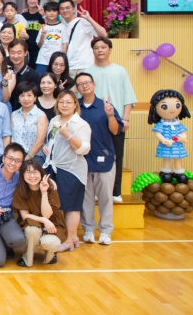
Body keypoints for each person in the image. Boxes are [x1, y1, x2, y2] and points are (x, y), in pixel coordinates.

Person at [83, 37, 136, 202]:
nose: (99, 50)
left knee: (117, 155)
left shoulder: (120, 71)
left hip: (115, 120)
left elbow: (128, 96)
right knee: (94, 154)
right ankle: (95, 191)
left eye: (103, 47)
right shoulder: (87, 72)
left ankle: (115, 192)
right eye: (96, 47)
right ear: (92, 51)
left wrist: (126, 119)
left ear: (110, 50)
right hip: (94, 122)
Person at [75, 72, 121, 245]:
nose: (84, 86)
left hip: (104, 159)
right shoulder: (75, 106)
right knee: (85, 198)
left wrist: (110, 115)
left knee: (105, 198)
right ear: (77, 88)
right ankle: (88, 230)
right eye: (80, 84)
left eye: (87, 82)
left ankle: (106, 231)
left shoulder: (106, 106)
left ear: (93, 84)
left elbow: (115, 130)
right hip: (81, 160)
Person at [43, 90, 91, 252]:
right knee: (57, 203)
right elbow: (52, 140)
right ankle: (72, 237)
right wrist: (47, 147)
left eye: (68, 102)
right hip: (54, 166)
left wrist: (69, 135)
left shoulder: (80, 124)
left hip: (71, 169)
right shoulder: (54, 120)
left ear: (75, 104)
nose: (64, 105)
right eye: (61, 102)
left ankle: (69, 239)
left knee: (71, 205)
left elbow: (84, 149)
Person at [13, 159, 65, 267]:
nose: (32, 176)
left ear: (41, 173)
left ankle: (51, 254)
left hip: (52, 224)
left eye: (35, 172)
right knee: (31, 231)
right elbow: (24, 215)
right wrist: (44, 220)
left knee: (51, 242)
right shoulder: (20, 190)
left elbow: (47, 215)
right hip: (33, 223)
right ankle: (27, 258)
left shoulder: (50, 188)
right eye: (28, 172)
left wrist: (44, 192)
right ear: (23, 175)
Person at [59, 0, 107, 76]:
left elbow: (103, 35)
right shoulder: (62, 26)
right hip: (69, 67)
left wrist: (89, 18)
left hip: (84, 66)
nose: (65, 10)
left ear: (74, 9)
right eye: (62, 9)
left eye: (67, 8)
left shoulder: (82, 22)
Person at [11, 82, 48, 164]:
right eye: (22, 95)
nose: (25, 99)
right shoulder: (14, 114)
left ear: (35, 98)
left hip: (35, 157)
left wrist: (27, 159)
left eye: (29, 95)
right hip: (15, 156)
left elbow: (40, 141)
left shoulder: (41, 115)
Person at [8, 39, 41, 112]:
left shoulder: (33, 75)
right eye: (12, 52)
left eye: (19, 52)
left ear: (26, 53)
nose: (16, 56)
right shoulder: (6, 72)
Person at [35, 1, 62, 75]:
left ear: (58, 12)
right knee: (40, 81)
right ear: (45, 12)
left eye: (54, 11)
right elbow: (39, 45)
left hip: (57, 62)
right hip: (42, 61)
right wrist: (42, 35)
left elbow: (64, 44)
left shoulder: (63, 27)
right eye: (49, 11)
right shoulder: (44, 27)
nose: (51, 13)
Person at [21, 0, 44, 67]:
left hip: (38, 49)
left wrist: (43, 15)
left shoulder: (42, 14)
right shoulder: (23, 15)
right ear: (26, 0)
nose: (32, 1)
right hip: (26, 48)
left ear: (39, 0)